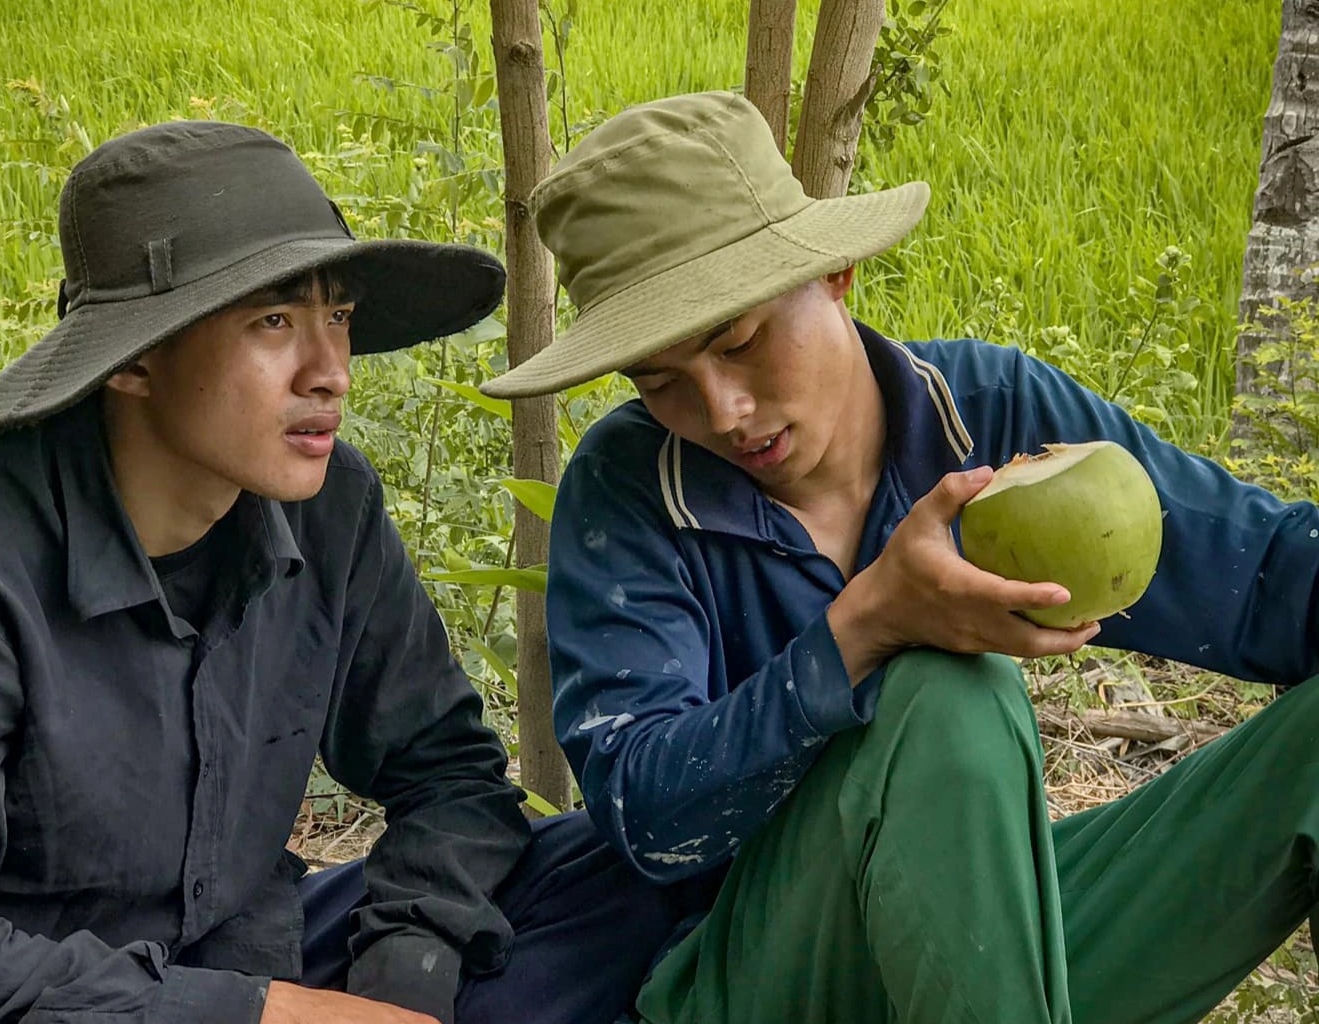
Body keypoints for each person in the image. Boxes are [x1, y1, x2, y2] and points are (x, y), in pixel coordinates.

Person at [0, 120, 698, 1024]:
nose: (331, 369)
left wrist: (405, 972)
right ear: (135, 358)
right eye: (273, 321)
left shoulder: (325, 500)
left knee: (621, 871)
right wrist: (275, 1016)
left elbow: (449, 773)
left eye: (336, 315)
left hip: (243, 948)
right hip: (31, 998)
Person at [480, 90, 1319, 1024]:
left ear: (834, 273)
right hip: (748, 974)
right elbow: (647, 817)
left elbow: (1271, 582)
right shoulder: (632, 490)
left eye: (740, 341)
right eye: (661, 381)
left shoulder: (993, 417)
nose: (721, 411)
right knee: (949, 697)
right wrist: (863, 629)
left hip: (979, 944)